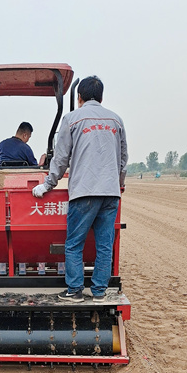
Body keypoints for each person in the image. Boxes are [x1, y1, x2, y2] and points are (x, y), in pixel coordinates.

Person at [32, 76, 128, 303]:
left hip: (84, 192)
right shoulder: (116, 120)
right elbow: (123, 159)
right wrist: (120, 184)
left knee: (74, 243)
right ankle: (99, 292)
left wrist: (47, 185)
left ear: (79, 98)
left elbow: (61, 157)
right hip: (110, 193)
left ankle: (75, 290)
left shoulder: (72, 119)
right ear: (102, 97)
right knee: (105, 245)